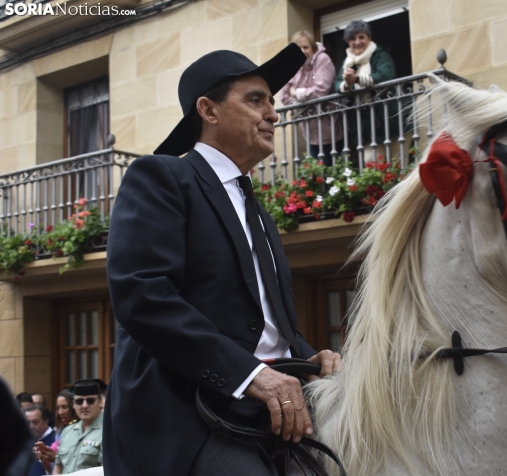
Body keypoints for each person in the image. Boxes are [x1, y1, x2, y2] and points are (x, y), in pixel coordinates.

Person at [104, 44, 341, 476]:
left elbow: (264, 321)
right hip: (188, 412)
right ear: (208, 111)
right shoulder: (160, 176)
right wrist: (251, 376)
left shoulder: (258, 208)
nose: (273, 113)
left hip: (270, 408)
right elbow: (143, 296)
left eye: (271, 101)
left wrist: (309, 356)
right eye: (255, 100)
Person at [334, 20, 398, 163]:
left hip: (393, 119)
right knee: (371, 162)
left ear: (369, 38)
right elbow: (337, 84)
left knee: (399, 163)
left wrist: (356, 79)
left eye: (361, 37)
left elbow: (384, 75)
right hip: (369, 124)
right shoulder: (348, 62)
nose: (357, 42)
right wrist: (347, 83)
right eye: (352, 38)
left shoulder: (380, 55)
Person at [280, 31, 343, 165]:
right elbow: (284, 96)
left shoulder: (322, 59)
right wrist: (300, 99)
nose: (302, 51)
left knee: (333, 173)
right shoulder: (292, 66)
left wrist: (297, 94)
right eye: (298, 48)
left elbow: (321, 90)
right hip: (309, 132)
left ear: (313, 48)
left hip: (330, 129)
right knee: (319, 174)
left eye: (306, 47)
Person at [53, 379, 105, 474]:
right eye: (79, 401)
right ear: (73, 404)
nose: (84, 406)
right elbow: (58, 468)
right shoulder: (68, 431)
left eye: (90, 400)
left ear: (101, 402)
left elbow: (106, 470)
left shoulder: (108, 431)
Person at [23, 405, 55, 476]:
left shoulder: (56, 440)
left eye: (36, 422)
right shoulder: (24, 442)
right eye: (28, 423)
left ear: (46, 422)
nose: (31, 427)